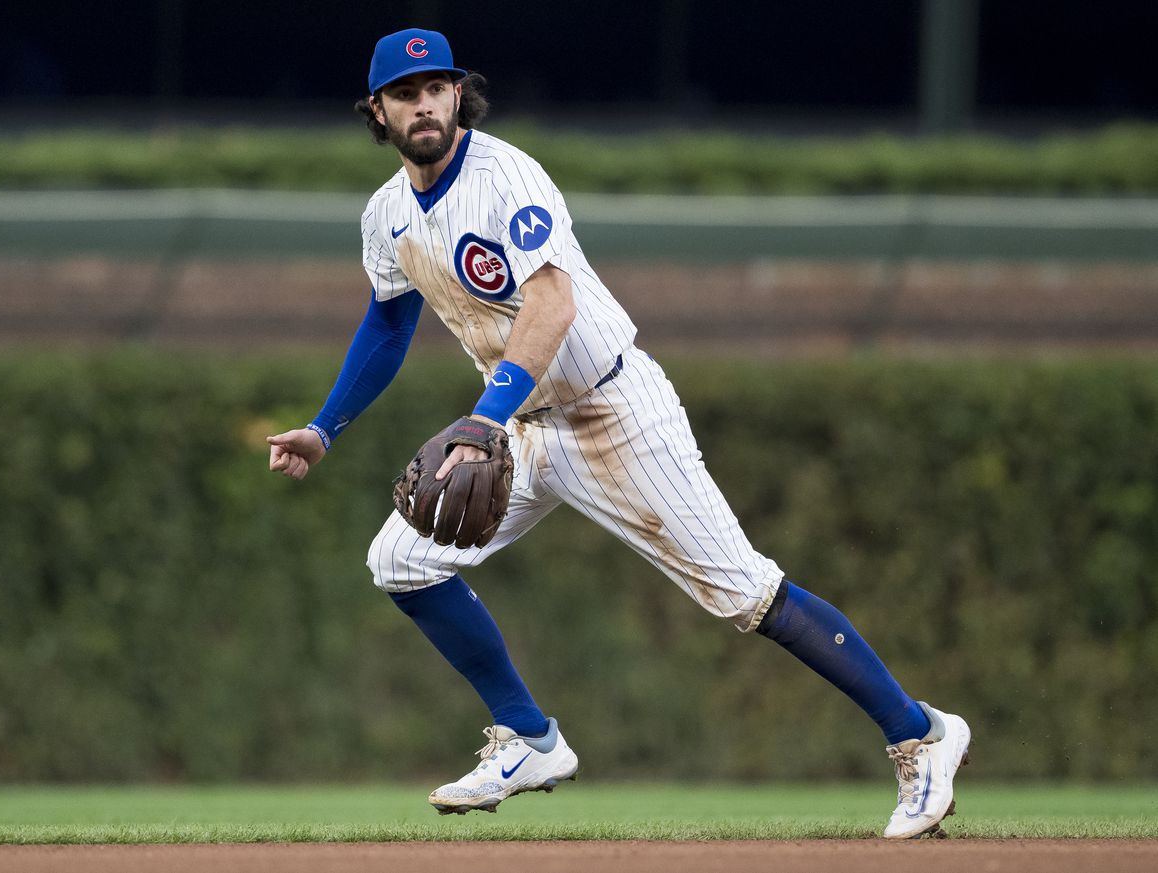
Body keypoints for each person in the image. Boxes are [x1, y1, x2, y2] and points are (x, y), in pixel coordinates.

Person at [267, 28, 970, 839]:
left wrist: (481, 423)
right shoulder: (386, 214)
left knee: (743, 591)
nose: (423, 104)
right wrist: (325, 426)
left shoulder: (505, 176)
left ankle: (921, 732)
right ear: (378, 112)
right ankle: (528, 737)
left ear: (460, 95)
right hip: (519, 422)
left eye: (437, 88)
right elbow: (390, 323)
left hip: (611, 410)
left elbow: (553, 306)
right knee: (401, 560)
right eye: (404, 93)